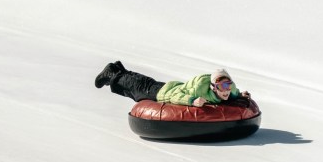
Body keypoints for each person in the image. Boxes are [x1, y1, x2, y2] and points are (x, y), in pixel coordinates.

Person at [94, 61, 251, 106]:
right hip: (163, 93)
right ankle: (112, 73)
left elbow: (234, 94)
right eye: (222, 87)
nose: (226, 91)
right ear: (213, 87)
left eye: (228, 86)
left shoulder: (231, 91)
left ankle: (119, 69)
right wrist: (192, 101)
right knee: (139, 89)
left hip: (170, 85)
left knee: (145, 82)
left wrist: (240, 94)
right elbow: (176, 96)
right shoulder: (199, 91)